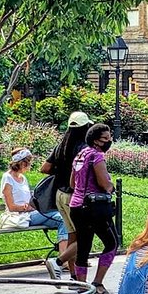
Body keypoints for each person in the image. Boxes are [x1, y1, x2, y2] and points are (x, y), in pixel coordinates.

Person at [70, 123, 120, 294]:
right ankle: (97, 284)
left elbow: (72, 184)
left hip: (76, 206)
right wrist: (110, 186)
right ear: (96, 141)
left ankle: (83, 290)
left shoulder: (80, 155)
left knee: (83, 246)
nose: (109, 141)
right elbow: (104, 183)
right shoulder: (97, 156)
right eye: (105, 138)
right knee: (112, 243)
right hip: (94, 208)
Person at [40, 110, 91, 281]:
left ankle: (75, 276)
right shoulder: (83, 148)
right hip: (74, 196)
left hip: (59, 195)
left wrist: (61, 170)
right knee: (84, 236)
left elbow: (45, 168)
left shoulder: (62, 145)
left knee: (72, 235)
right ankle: (58, 261)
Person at [0, 147, 70, 260]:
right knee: (63, 218)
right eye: (29, 163)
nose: (30, 165)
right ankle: (64, 260)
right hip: (20, 216)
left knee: (65, 219)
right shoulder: (7, 178)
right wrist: (27, 208)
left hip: (32, 214)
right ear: (22, 163)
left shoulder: (23, 178)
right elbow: (11, 207)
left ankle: (65, 258)